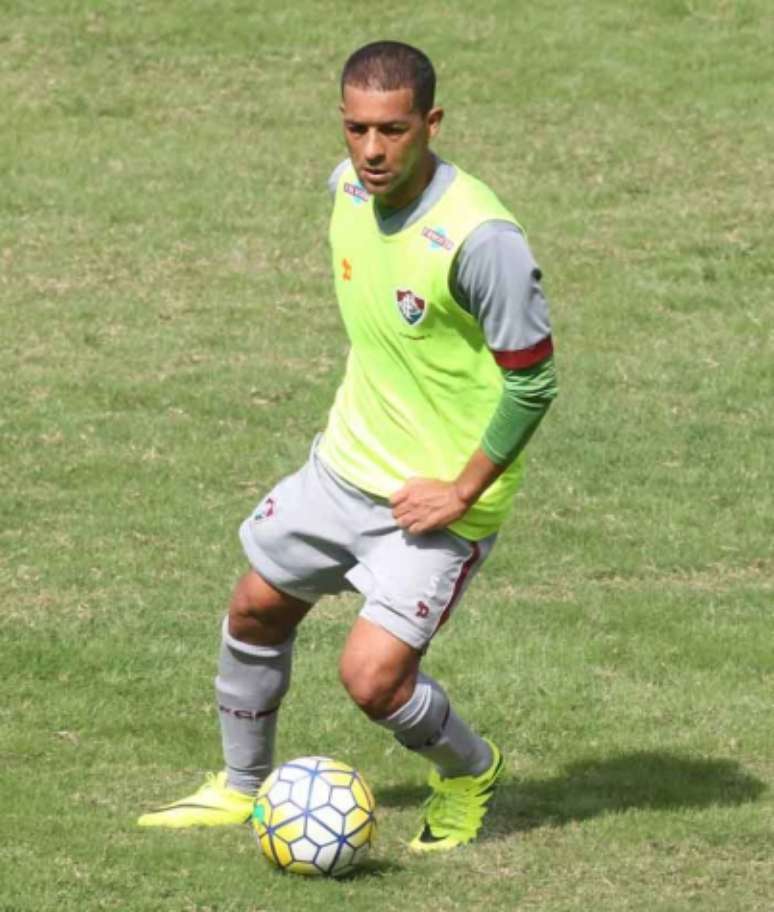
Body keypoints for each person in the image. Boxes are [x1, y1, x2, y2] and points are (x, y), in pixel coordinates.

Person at [138, 40, 558, 852]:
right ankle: (241, 784)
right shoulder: (345, 191)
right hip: (342, 467)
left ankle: (469, 768)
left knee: (372, 680)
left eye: (393, 131)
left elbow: (533, 382)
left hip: (434, 500)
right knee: (255, 607)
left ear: (431, 124)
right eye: (356, 129)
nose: (371, 151)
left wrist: (461, 493)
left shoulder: (481, 240)